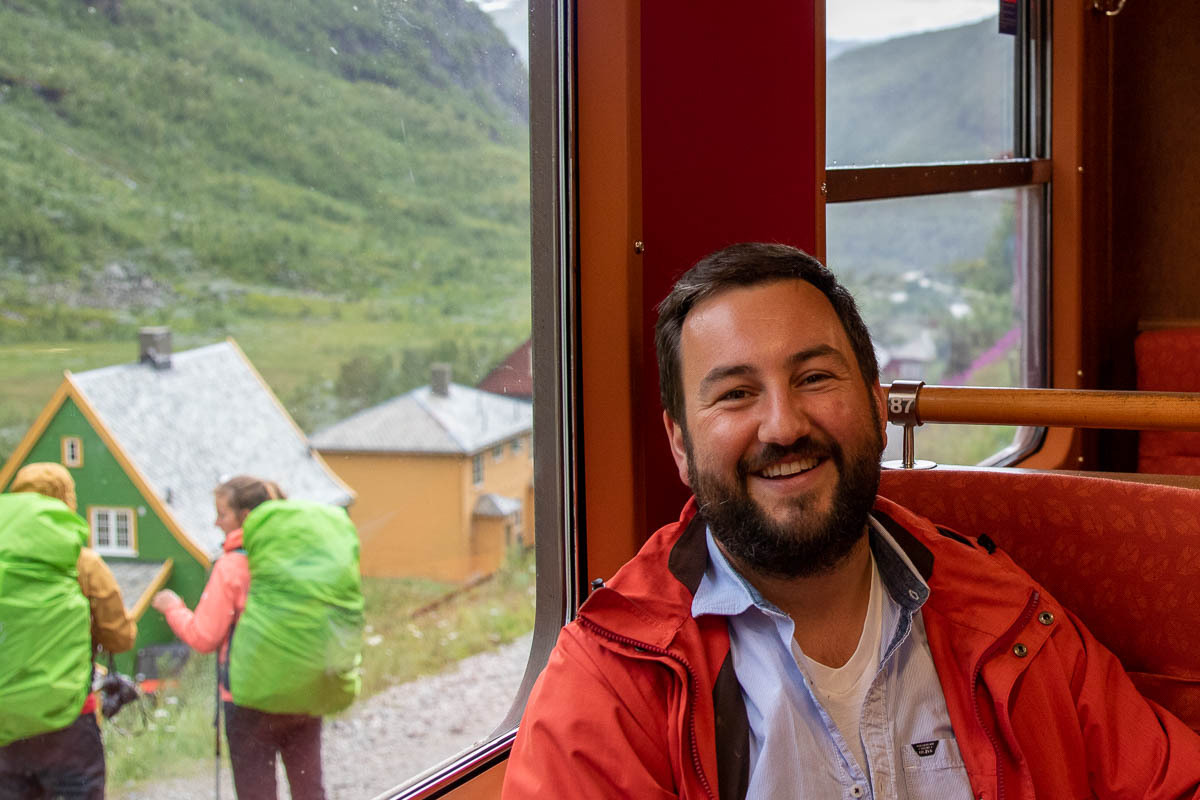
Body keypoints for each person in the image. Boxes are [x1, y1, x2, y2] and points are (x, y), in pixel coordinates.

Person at [503, 242, 1200, 799]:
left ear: (874, 404)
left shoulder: (1007, 615)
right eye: (737, 394)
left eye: (814, 378)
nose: (784, 426)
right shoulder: (609, 685)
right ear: (681, 444)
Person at [151, 475, 326, 800]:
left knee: (256, 794)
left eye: (222, 514)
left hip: (248, 700)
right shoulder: (302, 555)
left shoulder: (232, 566)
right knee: (309, 790)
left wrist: (173, 608)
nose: (216, 523)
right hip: (302, 691)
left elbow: (204, 637)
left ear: (245, 516)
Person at [0, 462, 137, 800]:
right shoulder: (83, 562)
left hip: (5, 722)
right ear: (67, 501)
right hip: (69, 719)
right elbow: (120, 637)